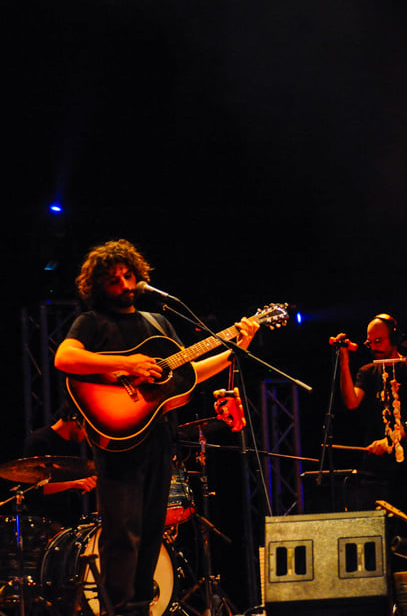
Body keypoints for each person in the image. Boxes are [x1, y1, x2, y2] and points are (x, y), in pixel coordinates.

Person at [54, 239, 259, 616]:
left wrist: (236, 348)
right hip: (117, 443)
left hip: (159, 437)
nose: (125, 285)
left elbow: (188, 372)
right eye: (114, 280)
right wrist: (129, 365)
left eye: (129, 276)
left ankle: (140, 606)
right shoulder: (91, 322)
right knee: (123, 533)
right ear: (99, 286)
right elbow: (65, 358)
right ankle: (121, 610)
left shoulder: (158, 323)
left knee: (151, 531)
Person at [330, 314, 407, 518]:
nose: (374, 346)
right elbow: (351, 401)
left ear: (394, 338)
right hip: (374, 465)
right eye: (370, 342)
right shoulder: (367, 371)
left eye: (379, 341)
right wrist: (344, 362)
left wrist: (391, 440)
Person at [21, 404, 97, 529]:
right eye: (87, 429)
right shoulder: (39, 442)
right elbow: (33, 490)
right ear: (75, 421)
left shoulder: (72, 443)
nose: (87, 436)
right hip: (42, 522)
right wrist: (73, 483)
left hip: (67, 519)